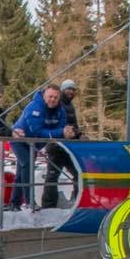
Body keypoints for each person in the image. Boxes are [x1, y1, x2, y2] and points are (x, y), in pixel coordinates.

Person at [10, 84, 75, 210]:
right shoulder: (34, 107)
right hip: (20, 140)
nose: (53, 100)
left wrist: (67, 132)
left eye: (56, 98)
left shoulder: (60, 110)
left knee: (21, 172)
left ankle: (14, 203)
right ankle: (29, 201)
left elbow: (62, 127)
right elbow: (37, 132)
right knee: (27, 165)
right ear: (44, 96)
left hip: (35, 144)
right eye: (50, 96)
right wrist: (61, 132)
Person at [42, 79, 82, 209]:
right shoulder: (58, 104)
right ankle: (48, 206)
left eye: (72, 89)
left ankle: (78, 201)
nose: (70, 92)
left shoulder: (70, 106)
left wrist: (78, 133)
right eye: (68, 89)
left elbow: (73, 125)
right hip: (56, 146)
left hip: (69, 147)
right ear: (62, 90)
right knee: (52, 176)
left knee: (78, 174)